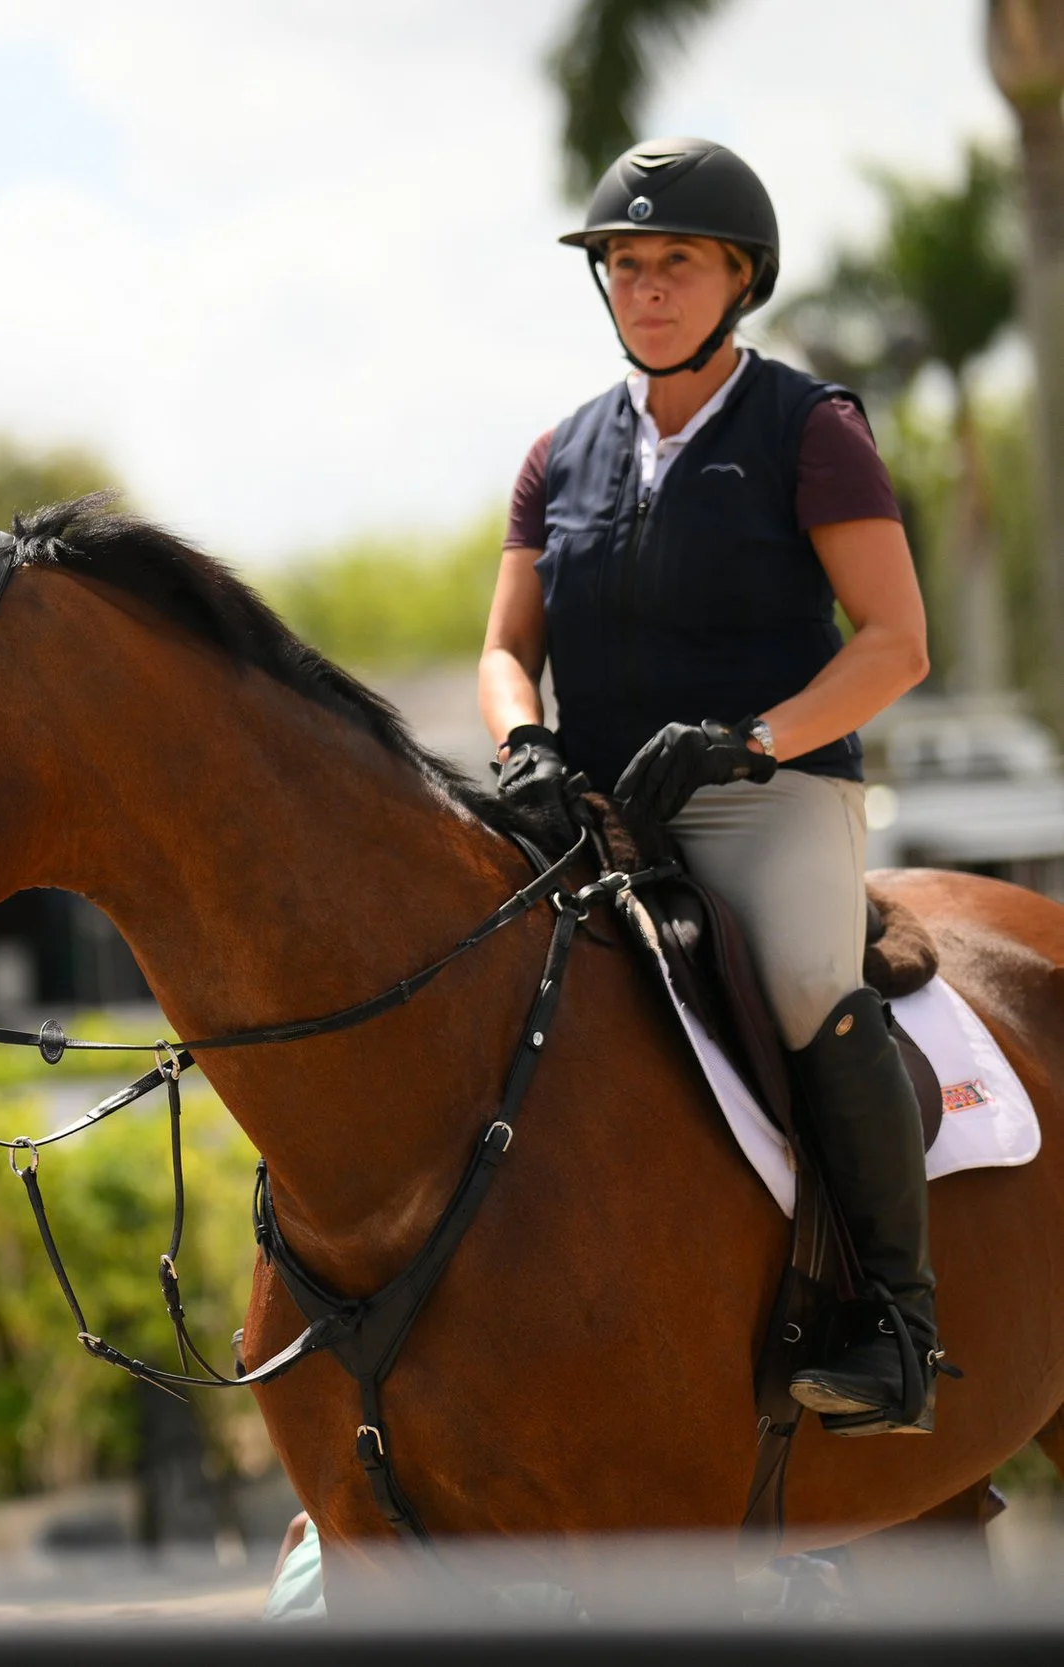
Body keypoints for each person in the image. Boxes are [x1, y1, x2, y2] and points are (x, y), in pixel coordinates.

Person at [477, 138, 940, 1432]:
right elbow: (506, 649)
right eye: (625, 263)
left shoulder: (811, 430)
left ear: (741, 278)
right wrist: (522, 739)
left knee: (803, 978)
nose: (647, 286)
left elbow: (897, 643)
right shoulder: (555, 455)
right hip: (592, 804)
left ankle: (896, 1317)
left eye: (676, 261)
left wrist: (753, 743)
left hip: (762, 797)